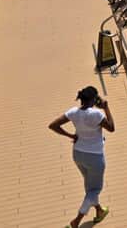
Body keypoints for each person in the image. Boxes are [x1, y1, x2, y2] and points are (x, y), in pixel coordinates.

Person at [49, 86, 114, 228]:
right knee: (94, 190)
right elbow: (111, 127)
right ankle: (76, 221)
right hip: (95, 158)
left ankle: (99, 211)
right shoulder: (96, 114)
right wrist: (106, 108)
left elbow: (53, 125)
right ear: (93, 99)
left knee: (89, 185)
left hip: (78, 154)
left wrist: (71, 135)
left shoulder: (74, 112)